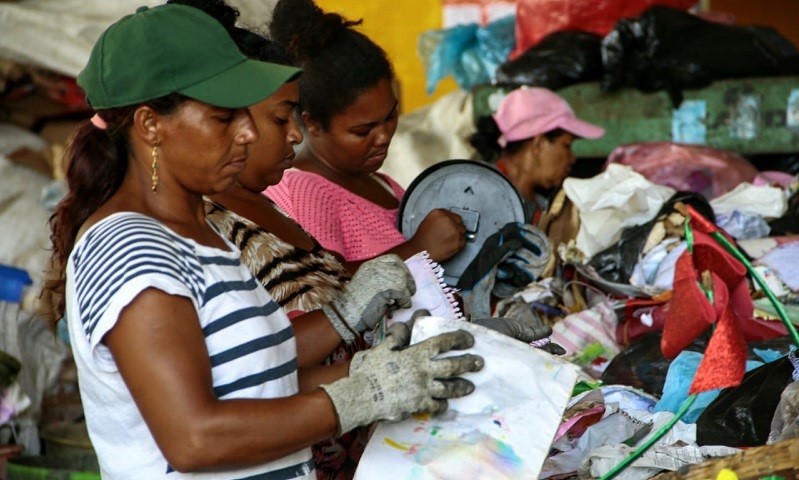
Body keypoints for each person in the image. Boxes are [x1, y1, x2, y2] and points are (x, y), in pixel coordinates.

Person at [43, 4, 484, 479]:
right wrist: (361, 395)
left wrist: (387, 368)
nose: (249, 133)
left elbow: (259, 381)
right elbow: (194, 439)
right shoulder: (129, 249)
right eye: (223, 118)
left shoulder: (204, 235)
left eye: (246, 115)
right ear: (151, 125)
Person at [264, 0, 467, 266]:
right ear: (312, 123)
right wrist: (419, 248)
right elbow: (326, 281)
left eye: (390, 117)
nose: (383, 136)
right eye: (363, 130)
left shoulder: (384, 185)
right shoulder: (303, 190)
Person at [469, 87, 605, 221]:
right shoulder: (481, 188)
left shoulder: (541, 206)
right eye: (566, 146)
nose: (572, 159)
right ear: (538, 144)